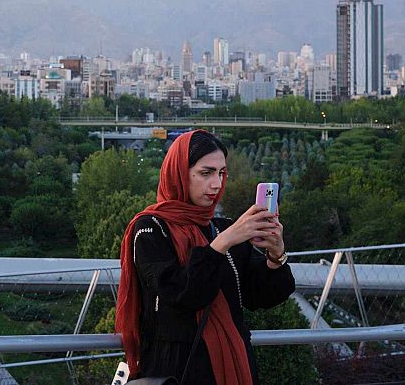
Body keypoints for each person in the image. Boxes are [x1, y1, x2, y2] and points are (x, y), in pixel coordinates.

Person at [116, 130, 295, 385]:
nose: (217, 184)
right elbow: (183, 293)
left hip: (232, 365)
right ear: (179, 172)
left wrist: (276, 255)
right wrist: (222, 243)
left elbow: (261, 296)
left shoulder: (222, 227)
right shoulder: (150, 229)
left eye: (221, 173)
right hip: (175, 370)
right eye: (206, 173)